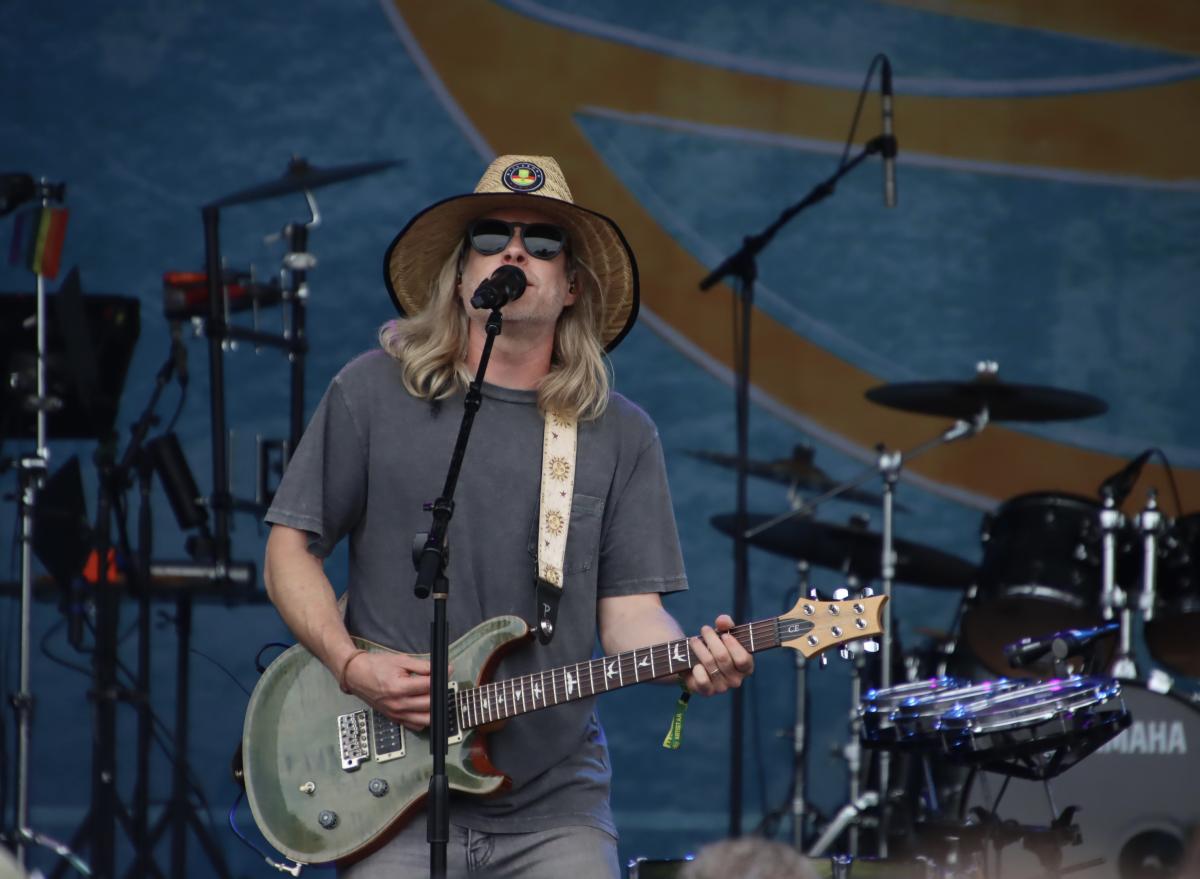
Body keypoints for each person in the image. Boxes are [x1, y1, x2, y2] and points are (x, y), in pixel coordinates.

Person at [262, 155, 754, 878]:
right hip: (388, 793)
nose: (515, 252)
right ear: (463, 273)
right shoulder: (370, 392)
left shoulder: (619, 432)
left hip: (554, 801)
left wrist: (690, 659)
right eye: (491, 236)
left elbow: (630, 616)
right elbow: (289, 549)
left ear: (571, 286)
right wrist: (350, 665)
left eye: (543, 242)